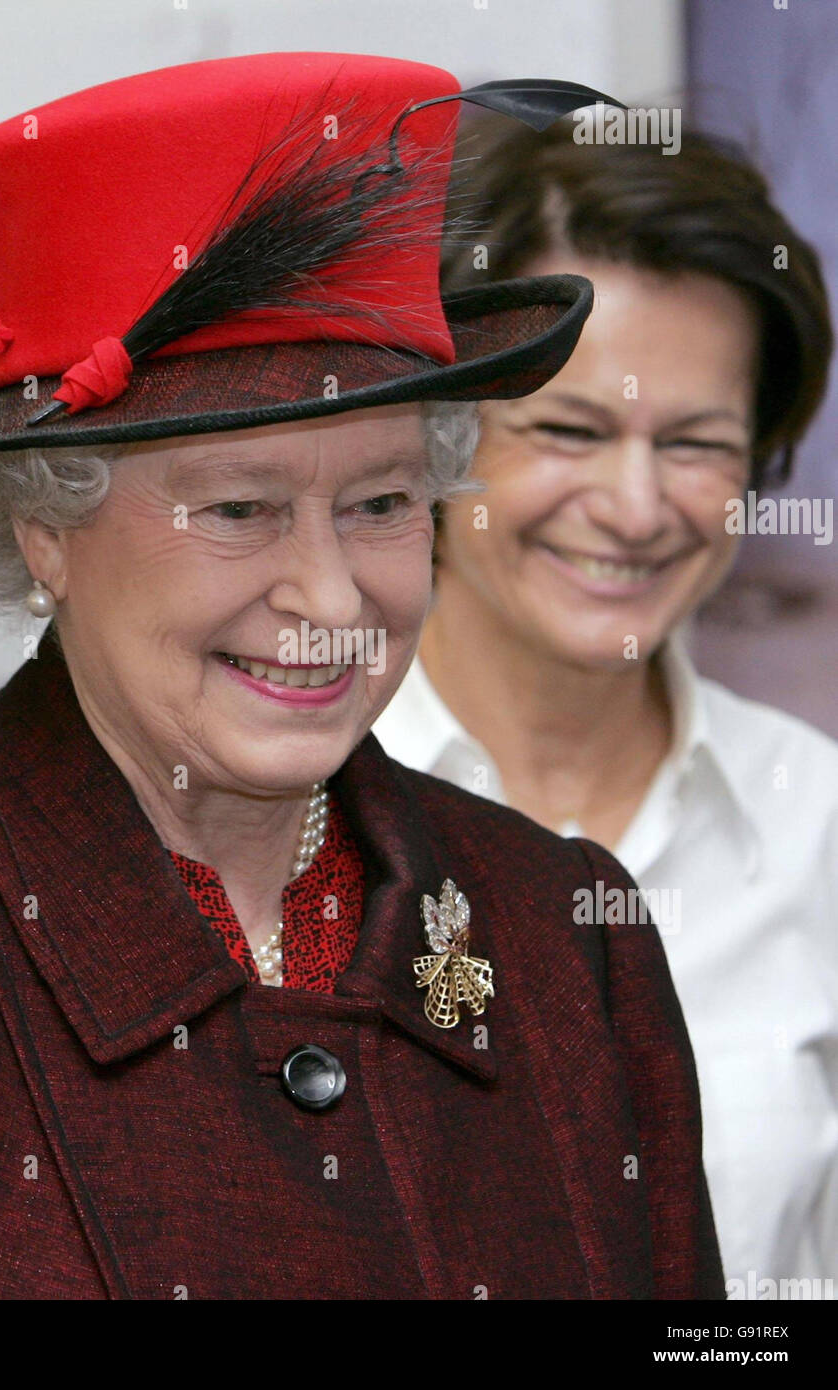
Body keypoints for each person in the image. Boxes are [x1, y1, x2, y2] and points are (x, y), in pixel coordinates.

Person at [0, 53, 724, 1300]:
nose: (332, 596)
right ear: (45, 527)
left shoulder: (570, 933)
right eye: (241, 508)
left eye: (381, 502)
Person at [373, 112, 838, 1297]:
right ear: (438, 440)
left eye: (697, 443)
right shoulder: (264, 802)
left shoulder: (814, 827)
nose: (636, 508)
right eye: (570, 431)